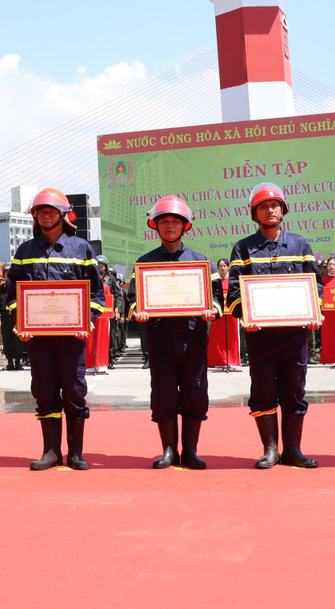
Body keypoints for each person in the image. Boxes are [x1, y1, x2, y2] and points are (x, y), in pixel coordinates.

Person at [5, 188, 105, 471]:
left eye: (51, 211)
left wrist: (88, 320)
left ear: (64, 215)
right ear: (35, 217)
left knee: (74, 391)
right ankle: (50, 452)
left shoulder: (82, 248)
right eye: (41, 212)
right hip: (38, 338)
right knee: (44, 391)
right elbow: (13, 293)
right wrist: (20, 321)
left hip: (72, 337)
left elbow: (96, 293)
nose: (46, 216)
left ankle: (75, 453)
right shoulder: (25, 251)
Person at [226, 182, 322, 469]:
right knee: (263, 391)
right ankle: (270, 450)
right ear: (254, 214)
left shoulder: (300, 244)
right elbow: (234, 291)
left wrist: (314, 310)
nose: (270, 210)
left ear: (283, 210)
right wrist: (245, 314)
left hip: (295, 335)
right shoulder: (243, 248)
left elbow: (314, 285)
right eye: (263, 207)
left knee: (295, 391)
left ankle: (293, 450)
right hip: (261, 336)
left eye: (274, 205)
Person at [129, 196, 219, 469]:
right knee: (164, 394)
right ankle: (168, 451)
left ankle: (190, 451)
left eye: (175, 221)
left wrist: (212, 310)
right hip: (159, 341)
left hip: (193, 339)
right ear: (155, 226)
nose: (169, 226)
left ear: (185, 225)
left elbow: (217, 299)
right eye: (164, 221)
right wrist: (137, 311)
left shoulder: (202, 262)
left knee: (195, 393)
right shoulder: (144, 263)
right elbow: (133, 299)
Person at [207, 259, 241, 369]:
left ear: (228, 267)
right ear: (217, 268)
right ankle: (217, 361)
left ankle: (232, 361)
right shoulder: (215, 282)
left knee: (232, 338)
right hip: (219, 312)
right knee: (216, 337)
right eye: (220, 266)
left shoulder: (232, 281)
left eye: (224, 265)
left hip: (231, 313)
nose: (222, 268)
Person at [0, 263, 21, 370]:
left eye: (9, 273)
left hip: (15, 318)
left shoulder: (17, 286)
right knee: (7, 340)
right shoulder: (1, 289)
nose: (7, 275)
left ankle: (18, 362)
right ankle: (10, 362)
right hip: (5, 318)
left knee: (17, 340)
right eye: (6, 273)